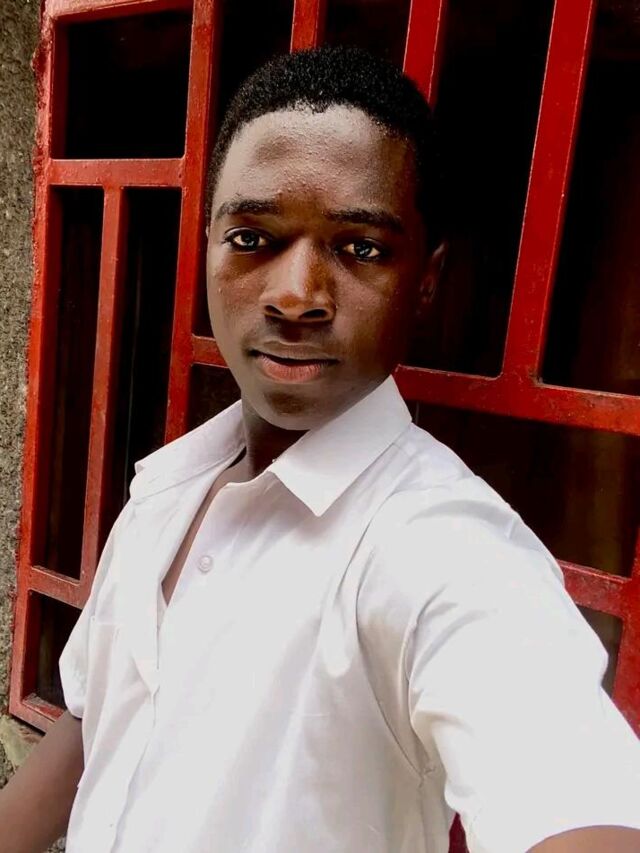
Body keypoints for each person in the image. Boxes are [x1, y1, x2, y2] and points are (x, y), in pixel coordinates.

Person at [1, 46, 639, 853]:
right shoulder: (167, 487)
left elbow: (571, 793)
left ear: (427, 280)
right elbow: (95, 723)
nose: (296, 295)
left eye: (360, 248)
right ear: (207, 248)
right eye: (253, 237)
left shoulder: (440, 545)